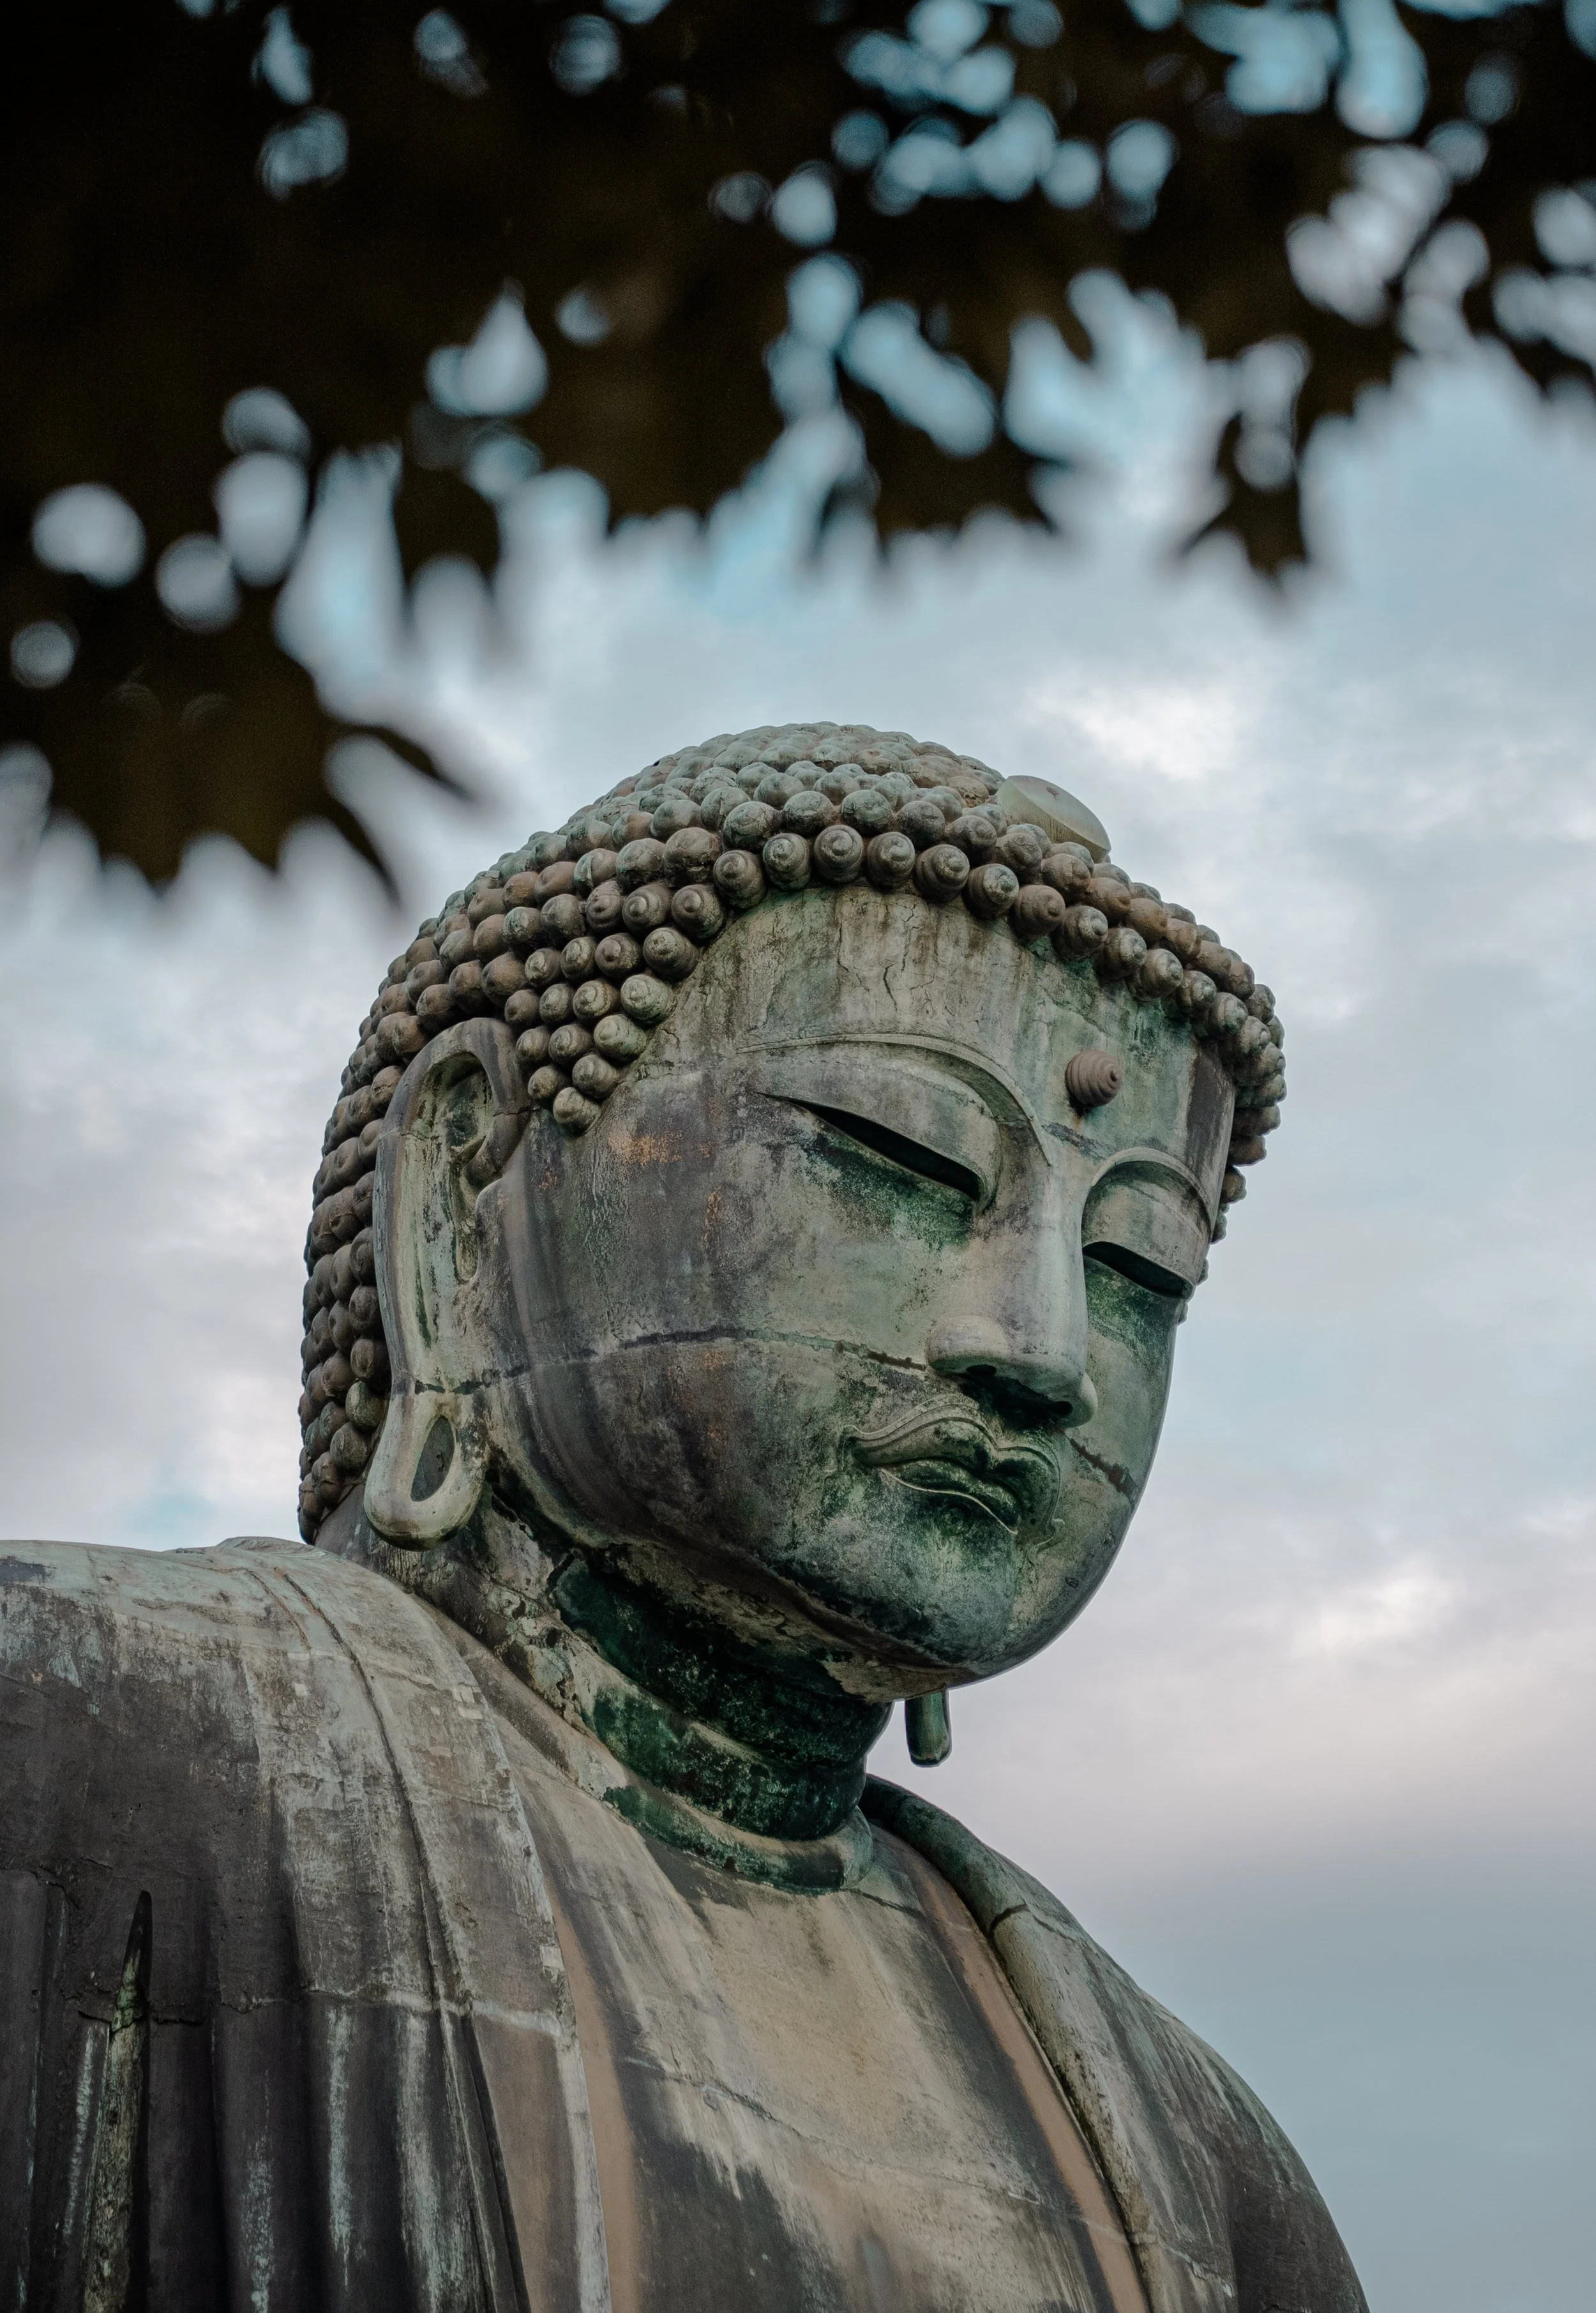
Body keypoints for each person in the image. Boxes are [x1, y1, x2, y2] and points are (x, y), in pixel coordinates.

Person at [0, 724, 1357, 2313]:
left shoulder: (1198, 2165)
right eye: (895, 1154)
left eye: (1140, 1267)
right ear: (460, 1197)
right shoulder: (74, 1748)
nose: (1040, 1347)